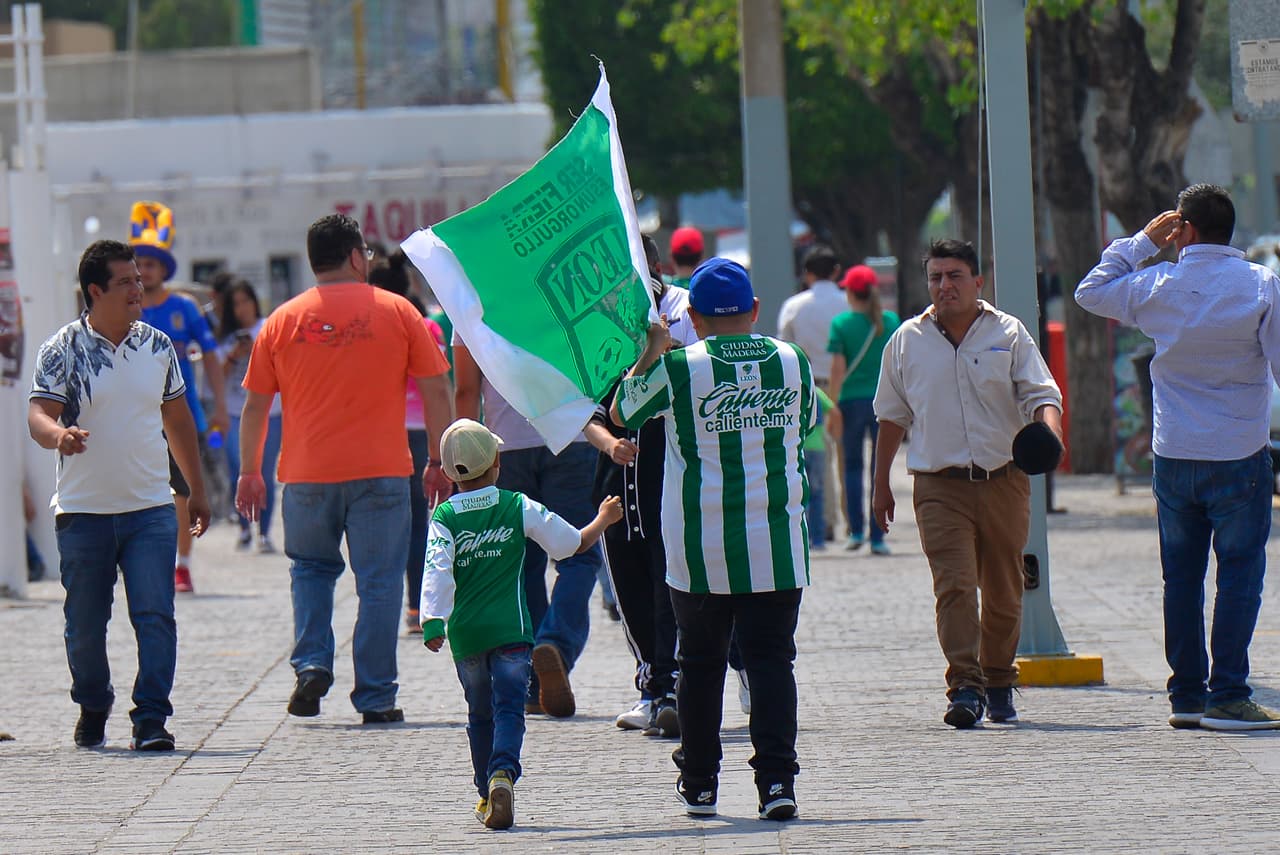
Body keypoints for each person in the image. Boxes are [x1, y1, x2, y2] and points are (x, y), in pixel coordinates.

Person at [612, 257, 814, 822]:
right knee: (772, 663)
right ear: (753, 310)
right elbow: (808, 424)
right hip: (777, 542)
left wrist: (653, 349)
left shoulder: (679, 368)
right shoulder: (792, 361)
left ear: (693, 318)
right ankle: (777, 784)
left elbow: (623, 411)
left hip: (700, 548)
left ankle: (700, 784)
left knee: (698, 663)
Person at [1075, 184, 1280, 731]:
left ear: (1182, 228)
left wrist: (1141, 242)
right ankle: (1229, 693)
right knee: (1239, 575)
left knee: (1181, 579)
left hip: (1173, 455)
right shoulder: (1261, 284)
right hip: (1240, 453)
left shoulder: (1155, 283)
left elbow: (1090, 292)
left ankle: (1187, 694)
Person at [235, 213, 453, 724]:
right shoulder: (398, 312)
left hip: (306, 472)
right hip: (381, 470)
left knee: (310, 571)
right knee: (379, 582)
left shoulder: (282, 321)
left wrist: (251, 471)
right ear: (357, 257)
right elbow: (436, 389)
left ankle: (312, 663)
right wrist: (439, 460)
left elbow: (253, 406)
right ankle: (375, 696)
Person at [28, 239, 211, 751]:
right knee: (84, 626)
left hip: (151, 508)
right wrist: (59, 436)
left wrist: (193, 489)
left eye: (138, 278)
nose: (139, 288)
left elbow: (177, 419)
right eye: (126, 281)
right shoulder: (60, 349)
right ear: (95, 290)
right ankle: (93, 700)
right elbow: (39, 414)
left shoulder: (158, 346)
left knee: (156, 615)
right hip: (83, 514)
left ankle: (151, 718)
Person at [871, 239, 1062, 729]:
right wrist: (880, 485)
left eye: (955, 275)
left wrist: (1049, 436)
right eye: (936, 277)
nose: (944, 286)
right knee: (953, 586)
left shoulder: (1009, 333)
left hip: (1003, 479)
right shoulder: (907, 340)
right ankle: (964, 685)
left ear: (978, 282)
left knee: (1003, 589)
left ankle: (998, 678)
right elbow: (891, 416)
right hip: (938, 485)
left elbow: (1042, 394)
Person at [421, 419, 622, 830]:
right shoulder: (517, 505)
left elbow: (436, 570)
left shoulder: (444, 517)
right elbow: (570, 544)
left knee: (479, 715)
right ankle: (503, 774)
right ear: (498, 462)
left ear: (446, 473)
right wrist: (601, 520)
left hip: (467, 637)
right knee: (510, 710)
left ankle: (485, 792)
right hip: (512, 632)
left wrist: (432, 622)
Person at [453, 337, 605, 719]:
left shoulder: (472, 299)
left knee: (522, 565)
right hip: (571, 437)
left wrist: (465, 464)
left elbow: (467, 389)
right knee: (578, 555)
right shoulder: (560, 280)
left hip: (505, 449)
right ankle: (556, 644)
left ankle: (536, 683)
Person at [585, 234, 697, 735]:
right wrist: (609, 444)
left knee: (668, 588)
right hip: (616, 494)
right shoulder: (600, 345)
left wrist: (657, 349)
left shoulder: (681, 343)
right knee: (628, 594)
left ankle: (669, 686)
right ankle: (652, 684)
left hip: (667, 490)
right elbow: (590, 415)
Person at [131, 201, 228, 594]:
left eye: (152, 262)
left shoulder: (183, 307)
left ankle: (182, 564)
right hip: (135, 416)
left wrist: (219, 406)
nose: (145, 269)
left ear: (164, 267)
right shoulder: (125, 307)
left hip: (181, 415)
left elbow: (211, 356)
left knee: (184, 491)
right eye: (139, 262)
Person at [367, 250, 448, 632]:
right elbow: (439, 389)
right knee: (420, 523)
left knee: (384, 522)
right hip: (421, 435)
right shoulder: (428, 326)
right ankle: (418, 607)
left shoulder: (371, 326)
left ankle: (384, 605)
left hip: (382, 433)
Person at [778, 245, 848, 543]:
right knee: (846, 460)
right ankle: (847, 519)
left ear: (806, 274)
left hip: (806, 386)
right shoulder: (847, 304)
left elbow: (785, 346)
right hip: (843, 386)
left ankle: (819, 522)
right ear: (836, 271)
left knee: (811, 458)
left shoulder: (794, 306)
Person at [828, 264, 900, 553]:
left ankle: (856, 532)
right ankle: (879, 536)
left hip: (850, 401)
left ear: (850, 292)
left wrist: (832, 404)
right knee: (879, 469)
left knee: (852, 467)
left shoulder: (841, 324)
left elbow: (837, 368)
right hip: (883, 401)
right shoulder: (891, 320)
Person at [218, 279, 281, 553]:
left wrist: (257, 346)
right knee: (239, 472)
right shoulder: (225, 338)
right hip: (235, 412)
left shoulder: (269, 327)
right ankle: (244, 528)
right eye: (236, 304)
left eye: (246, 301)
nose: (242, 308)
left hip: (272, 411)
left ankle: (264, 532)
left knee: (266, 473)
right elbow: (214, 379)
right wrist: (233, 356)